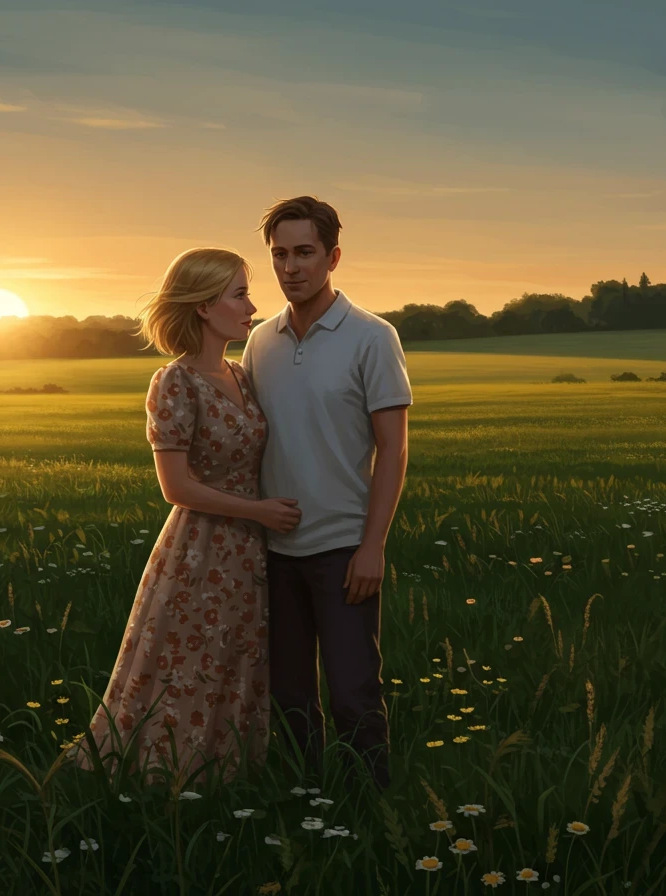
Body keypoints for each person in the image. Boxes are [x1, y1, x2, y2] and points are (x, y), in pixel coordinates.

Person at [69, 247, 303, 787]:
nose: (252, 306)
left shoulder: (242, 376)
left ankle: (234, 775)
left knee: (239, 659)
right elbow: (176, 487)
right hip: (202, 548)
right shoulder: (173, 382)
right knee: (190, 661)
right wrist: (259, 511)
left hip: (250, 549)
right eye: (239, 294)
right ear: (202, 306)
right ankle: (167, 778)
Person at [240, 196, 412, 791]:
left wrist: (373, 547)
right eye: (280, 255)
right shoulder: (260, 341)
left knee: (353, 692)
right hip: (274, 554)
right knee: (288, 698)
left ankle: (371, 811)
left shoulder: (372, 337)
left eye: (305, 253)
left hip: (344, 551)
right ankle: (306, 804)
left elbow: (393, 450)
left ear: (333, 256)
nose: (291, 267)